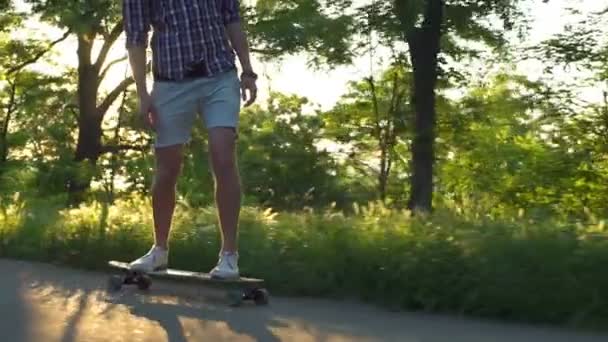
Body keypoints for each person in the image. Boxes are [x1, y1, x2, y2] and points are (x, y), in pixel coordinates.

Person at [122, 0, 257, 279]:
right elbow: (136, 37)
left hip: (219, 76)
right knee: (167, 170)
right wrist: (142, 94)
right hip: (170, 83)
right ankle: (159, 250)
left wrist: (247, 70)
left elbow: (232, 18)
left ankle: (229, 256)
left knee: (223, 157)